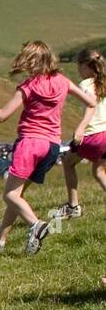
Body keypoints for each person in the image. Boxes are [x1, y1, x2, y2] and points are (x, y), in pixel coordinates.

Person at [0, 41, 99, 254]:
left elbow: (1, 116)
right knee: (18, 195)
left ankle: (36, 225)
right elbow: (92, 103)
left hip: (30, 144)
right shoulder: (63, 81)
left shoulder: (29, 86)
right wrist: (81, 126)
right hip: (52, 146)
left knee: (9, 195)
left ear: (33, 61)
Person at [52, 48, 106, 222]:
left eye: (79, 66)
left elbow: (91, 106)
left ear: (86, 66)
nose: (78, 70)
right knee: (98, 171)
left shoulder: (86, 84)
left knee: (67, 162)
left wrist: (81, 127)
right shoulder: (104, 82)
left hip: (93, 135)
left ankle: (73, 206)